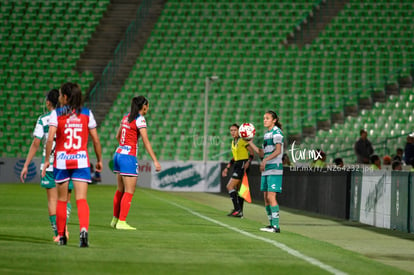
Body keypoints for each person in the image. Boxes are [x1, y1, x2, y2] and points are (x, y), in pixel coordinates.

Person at [42, 82, 102, 247]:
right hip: (81, 159)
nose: (59, 97)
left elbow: (49, 139)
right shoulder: (87, 113)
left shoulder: (57, 114)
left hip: (61, 160)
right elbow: (96, 140)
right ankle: (83, 232)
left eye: (61, 95)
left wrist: (47, 159)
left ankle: (62, 236)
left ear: (66, 97)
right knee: (81, 199)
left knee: (61, 200)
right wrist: (99, 160)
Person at [20, 89, 73, 242]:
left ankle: (59, 233)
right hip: (67, 163)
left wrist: (26, 165)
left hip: (49, 165)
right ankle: (65, 230)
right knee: (66, 200)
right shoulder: (69, 118)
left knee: (52, 200)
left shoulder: (43, 120)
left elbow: (36, 143)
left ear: (48, 102)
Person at [110, 96, 161, 230]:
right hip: (128, 156)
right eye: (147, 106)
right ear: (143, 106)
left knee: (120, 189)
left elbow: (117, 136)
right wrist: (155, 160)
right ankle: (122, 222)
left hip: (118, 153)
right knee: (129, 190)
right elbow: (146, 141)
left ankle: (115, 219)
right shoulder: (140, 119)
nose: (148, 108)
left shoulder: (126, 117)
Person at [248, 110, 283, 233]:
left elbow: (278, 151)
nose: (265, 120)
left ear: (274, 120)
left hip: (275, 167)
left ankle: (276, 226)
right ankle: (271, 224)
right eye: (264, 118)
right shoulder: (267, 134)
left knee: (271, 196)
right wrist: (249, 142)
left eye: (267, 118)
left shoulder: (277, 133)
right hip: (267, 168)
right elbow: (261, 152)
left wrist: (265, 161)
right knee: (266, 198)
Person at [221, 124, 254, 218]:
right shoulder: (233, 142)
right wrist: (227, 167)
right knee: (238, 189)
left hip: (242, 165)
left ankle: (237, 209)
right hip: (237, 165)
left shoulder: (243, 140)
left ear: (239, 131)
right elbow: (234, 157)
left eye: (235, 130)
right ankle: (240, 212)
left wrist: (248, 162)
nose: (233, 132)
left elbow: (252, 153)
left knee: (230, 186)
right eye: (231, 130)